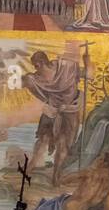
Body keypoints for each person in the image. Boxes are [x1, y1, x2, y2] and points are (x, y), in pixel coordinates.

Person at [24, 49, 83, 186]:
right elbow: (28, 81)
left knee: (63, 144)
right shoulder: (37, 78)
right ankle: (30, 168)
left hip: (70, 110)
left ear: (43, 62)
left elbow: (86, 74)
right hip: (51, 109)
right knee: (42, 139)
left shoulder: (65, 67)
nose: (36, 69)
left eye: (37, 66)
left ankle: (56, 176)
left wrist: (87, 63)